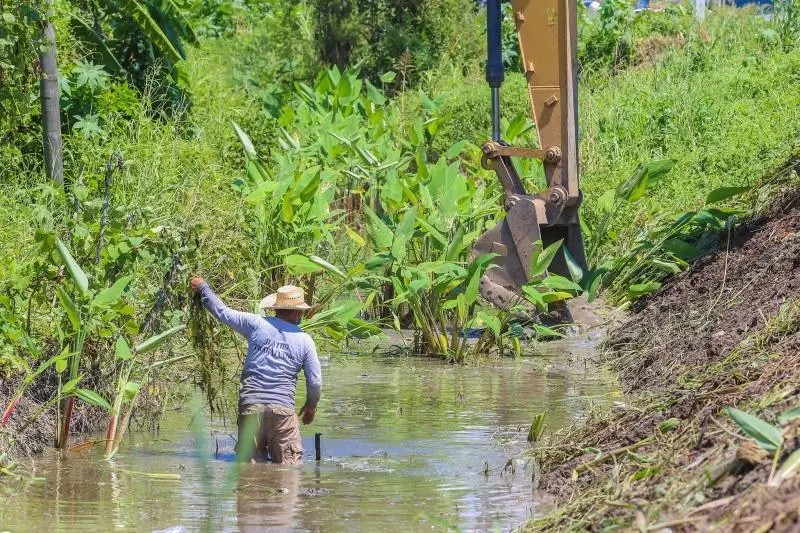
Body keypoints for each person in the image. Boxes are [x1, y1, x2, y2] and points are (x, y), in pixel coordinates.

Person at [190, 277, 322, 464]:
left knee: (249, 471)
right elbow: (315, 382)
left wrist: (203, 288)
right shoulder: (305, 341)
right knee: (289, 470)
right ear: (298, 313)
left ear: (276, 308)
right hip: (282, 412)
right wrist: (310, 406)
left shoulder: (256, 324)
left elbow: (222, 312)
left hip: (251, 407)